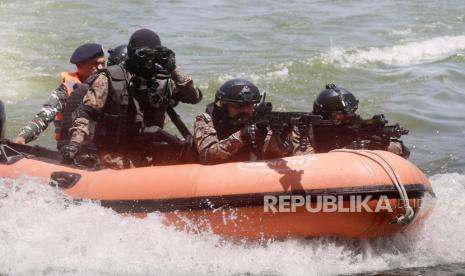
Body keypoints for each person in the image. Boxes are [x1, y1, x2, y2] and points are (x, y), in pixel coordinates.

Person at [61, 29, 202, 169]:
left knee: (189, 155)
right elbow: (86, 113)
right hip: (115, 154)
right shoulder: (110, 78)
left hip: (149, 150)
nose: (148, 60)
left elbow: (193, 97)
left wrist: (173, 68)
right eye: (143, 54)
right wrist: (75, 144)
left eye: (153, 55)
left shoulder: (163, 80)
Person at [10, 43, 105, 147]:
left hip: (101, 147)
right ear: (79, 65)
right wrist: (23, 136)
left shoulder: (109, 84)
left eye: (103, 63)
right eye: (96, 64)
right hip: (71, 147)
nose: (101, 68)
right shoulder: (66, 90)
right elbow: (45, 114)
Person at [294, 84, 410, 158]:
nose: (346, 121)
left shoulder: (356, 126)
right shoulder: (303, 129)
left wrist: (380, 146)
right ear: (323, 115)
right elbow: (304, 160)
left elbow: (404, 152)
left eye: (349, 116)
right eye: (339, 117)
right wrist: (348, 150)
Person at [193, 79, 293, 164]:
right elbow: (207, 157)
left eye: (250, 106)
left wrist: (279, 137)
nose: (245, 110)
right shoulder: (206, 119)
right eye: (238, 106)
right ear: (223, 105)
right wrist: (243, 135)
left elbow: (269, 154)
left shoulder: (258, 120)